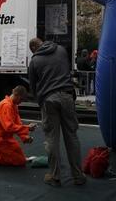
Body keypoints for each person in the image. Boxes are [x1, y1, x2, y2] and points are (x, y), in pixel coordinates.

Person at [28, 37, 86, 186]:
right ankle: (78, 176)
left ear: (34, 49)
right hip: (67, 96)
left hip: (49, 99)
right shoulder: (61, 50)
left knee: (52, 138)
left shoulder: (35, 61)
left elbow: (33, 86)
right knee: (71, 136)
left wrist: (39, 100)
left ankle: (55, 176)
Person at [0, 86, 36, 166]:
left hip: (6, 139)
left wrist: (24, 137)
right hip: (0, 140)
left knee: (20, 156)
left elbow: (17, 123)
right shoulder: (6, 106)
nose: (21, 102)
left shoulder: (14, 105)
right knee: (20, 161)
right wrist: (27, 128)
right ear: (16, 95)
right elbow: (9, 127)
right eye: (21, 99)